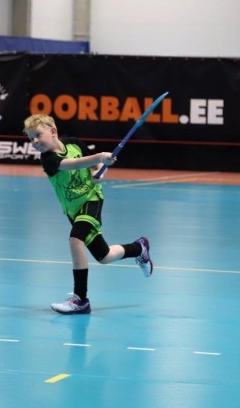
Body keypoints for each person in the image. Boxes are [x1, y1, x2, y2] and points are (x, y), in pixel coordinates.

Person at [23, 114, 153, 315]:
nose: (35, 141)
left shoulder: (74, 144)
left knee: (75, 239)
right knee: (104, 256)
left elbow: (96, 167)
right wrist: (100, 157)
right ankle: (139, 248)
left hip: (91, 200)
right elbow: (72, 164)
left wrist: (100, 171)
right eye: (31, 138)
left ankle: (80, 299)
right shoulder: (48, 159)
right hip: (73, 211)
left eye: (38, 135)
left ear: (53, 131)